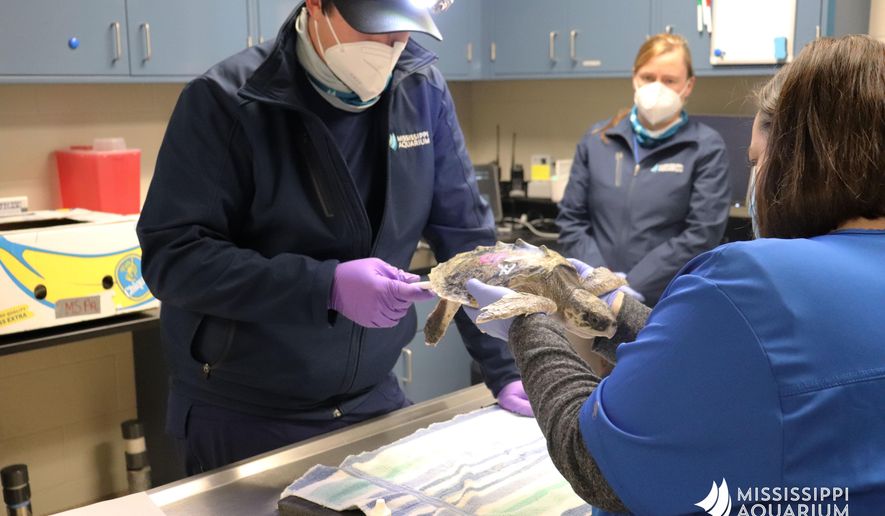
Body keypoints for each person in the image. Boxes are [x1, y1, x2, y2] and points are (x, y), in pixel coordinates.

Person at [466, 34, 885, 514]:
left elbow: (593, 460)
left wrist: (529, 319)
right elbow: (754, 369)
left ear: (795, 160)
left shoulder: (746, 282)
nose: (756, 181)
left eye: (756, 162)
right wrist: (621, 314)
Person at [137, 0, 530, 475]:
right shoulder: (228, 100)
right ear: (317, 5)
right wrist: (325, 286)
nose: (392, 46)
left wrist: (508, 368)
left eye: (405, 30)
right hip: (246, 413)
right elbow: (173, 258)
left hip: (370, 399)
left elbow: (467, 242)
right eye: (376, 28)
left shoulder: (419, 89)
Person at [556, 33, 731, 306]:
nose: (657, 88)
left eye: (670, 80)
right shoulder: (598, 139)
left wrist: (631, 286)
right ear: (635, 78)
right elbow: (571, 220)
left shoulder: (705, 147)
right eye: (648, 78)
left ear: (688, 85)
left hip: (665, 300)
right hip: (593, 298)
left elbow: (702, 234)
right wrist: (601, 283)